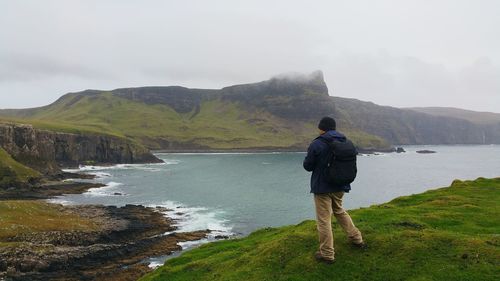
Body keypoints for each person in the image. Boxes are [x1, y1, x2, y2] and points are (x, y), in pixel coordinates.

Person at [303, 116, 365, 265]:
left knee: (324, 220)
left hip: (322, 188)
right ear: (334, 128)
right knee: (339, 210)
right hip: (340, 185)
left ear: (321, 128)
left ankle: (327, 254)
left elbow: (308, 166)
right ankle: (357, 239)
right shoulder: (344, 141)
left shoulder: (317, 143)